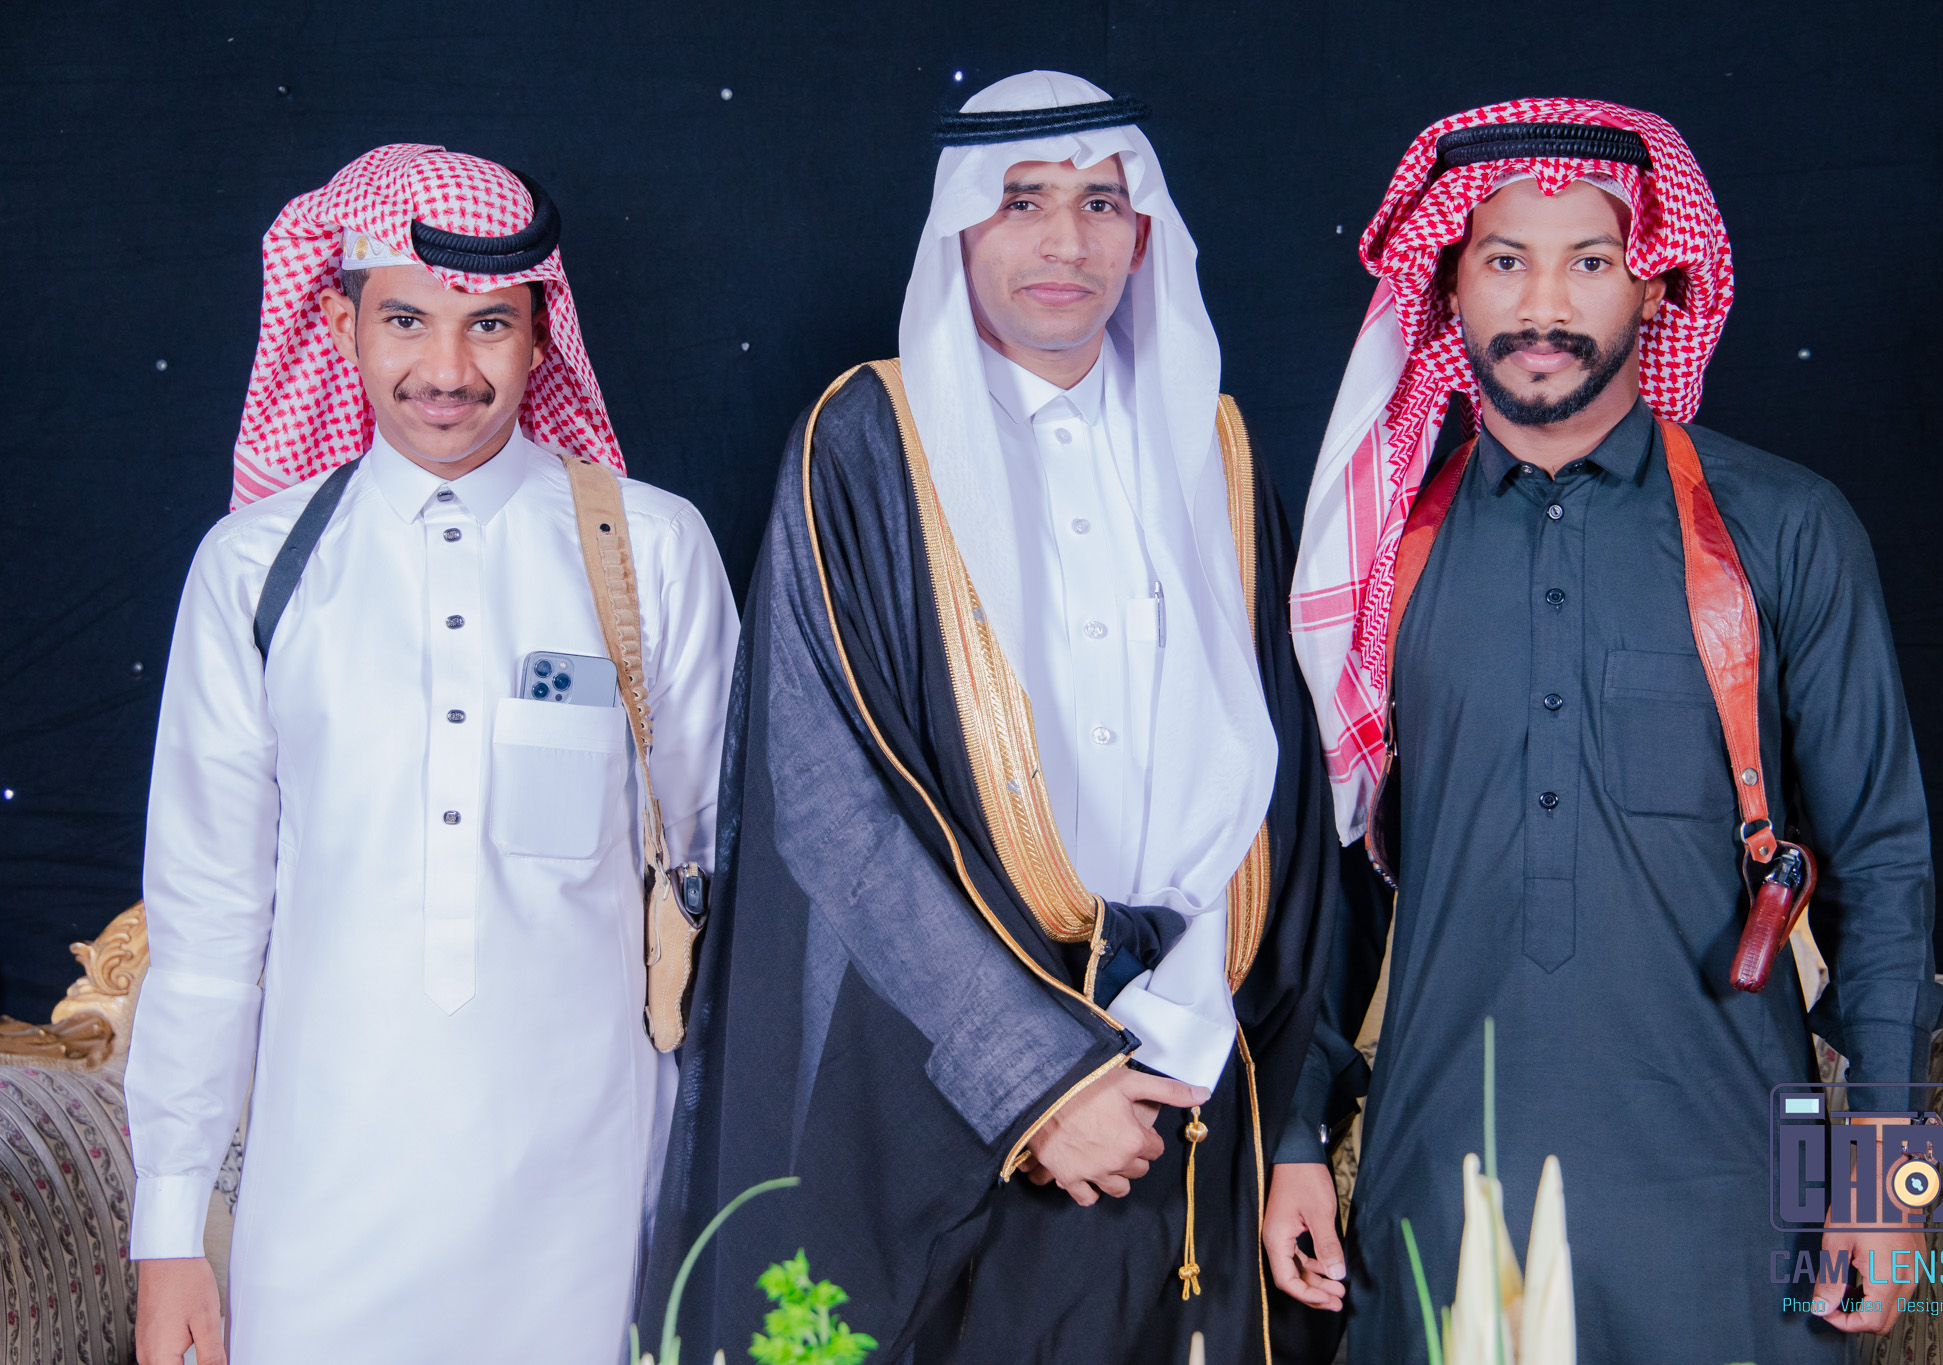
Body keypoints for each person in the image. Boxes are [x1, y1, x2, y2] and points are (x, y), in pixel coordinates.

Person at [639, 72, 1338, 1364]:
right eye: (1021, 201)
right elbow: (827, 801)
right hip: (954, 1093)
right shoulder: (865, 444)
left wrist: (1283, 1111)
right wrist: (1033, 1076)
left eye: (1099, 203)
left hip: (1193, 1093)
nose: (1064, 241)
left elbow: (1289, 806)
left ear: (1143, 234)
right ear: (960, 224)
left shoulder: (1218, 452)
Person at [1277, 100, 1943, 1363]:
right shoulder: (1376, 555)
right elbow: (1338, 881)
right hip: (1444, 1179)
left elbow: (1885, 862)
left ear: (1654, 283)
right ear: (1448, 286)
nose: (1543, 304)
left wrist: (1888, 1181)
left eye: (1589, 260)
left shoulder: (1783, 526)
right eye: (1503, 259)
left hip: (1740, 1198)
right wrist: (1294, 1132)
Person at [125, 144, 738, 1364]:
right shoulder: (254, 570)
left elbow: (720, 881)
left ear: (540, 335)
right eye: (405, 320)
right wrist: (171, 1232)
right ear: (339, 325)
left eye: (488, 324)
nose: (447, 371)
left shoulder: (649, 552)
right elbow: (206, 918)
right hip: (326, 1201)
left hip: (593, 1203)